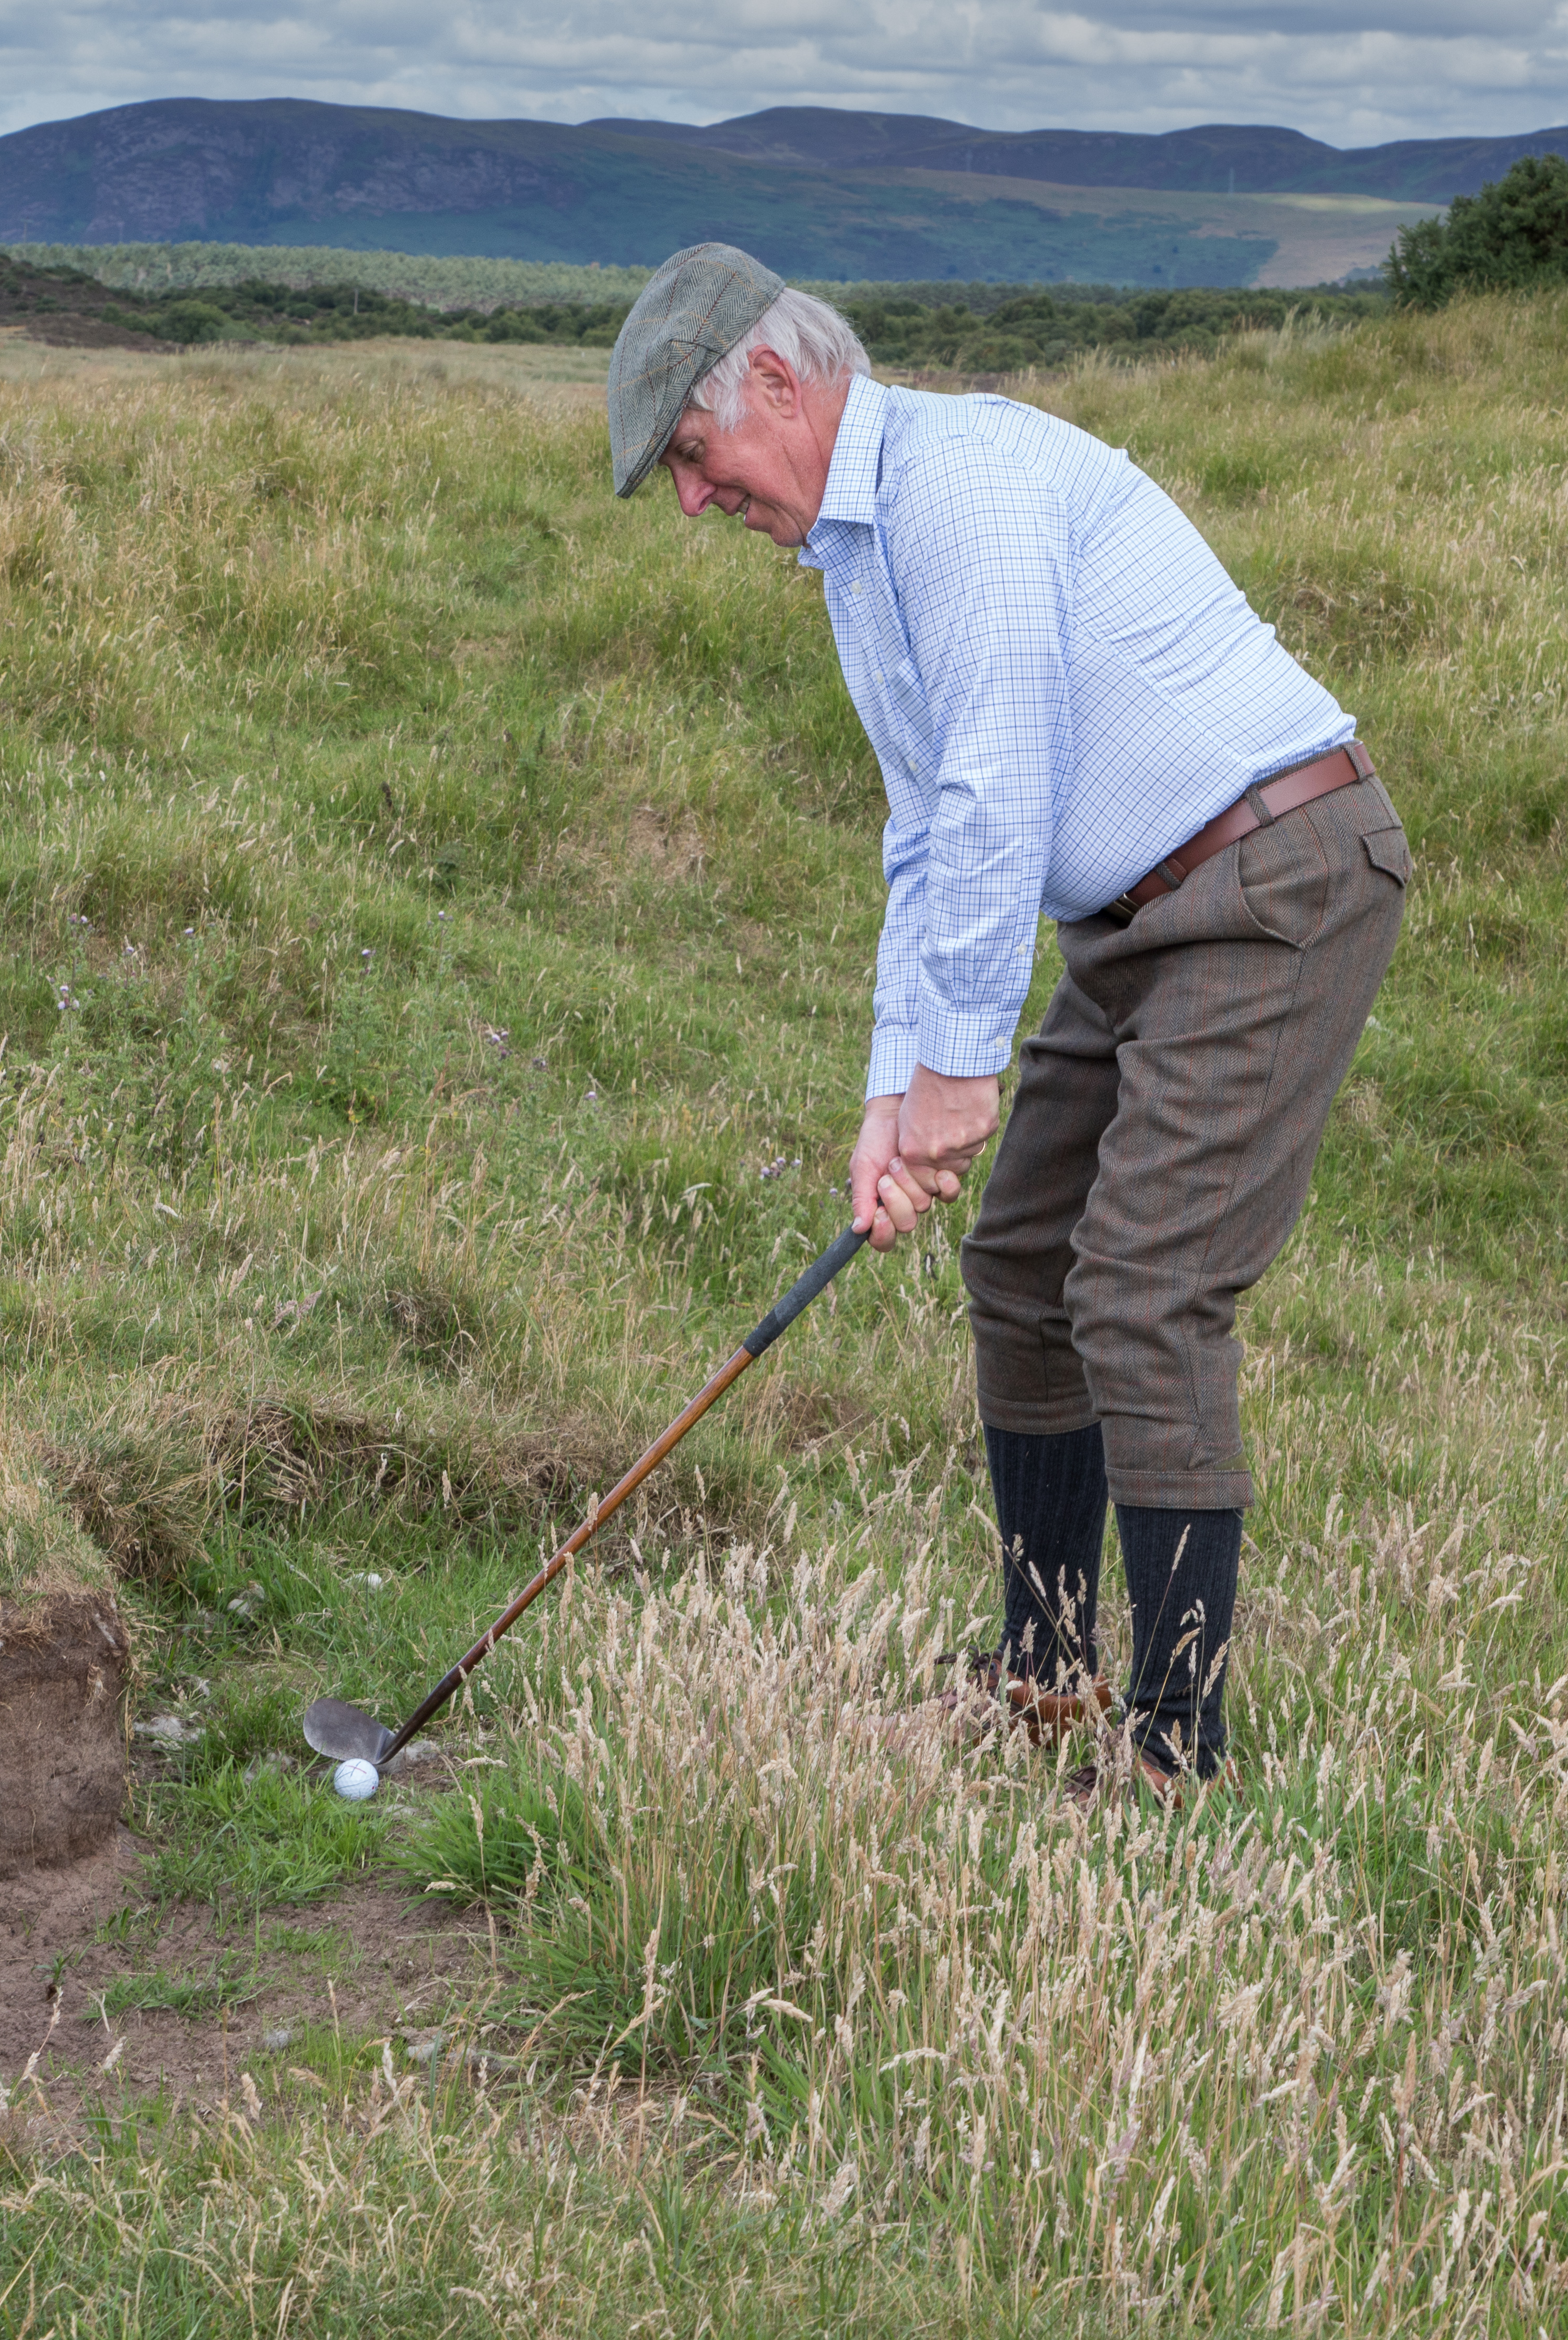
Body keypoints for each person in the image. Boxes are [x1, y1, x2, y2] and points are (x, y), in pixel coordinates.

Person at [606, 244, 1408, 1800]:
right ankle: (1042, 1676)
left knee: (1143, 1287)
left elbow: (998, 786)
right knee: (1024, 1258)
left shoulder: (959, 490)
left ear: (772, 381)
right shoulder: (856, 556)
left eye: (692, 460)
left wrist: (959, 1072)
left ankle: (1180, 1754)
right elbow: (925, 830)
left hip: (1275, 882)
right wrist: (889, 1092)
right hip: (1137, 921)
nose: (696, 503)